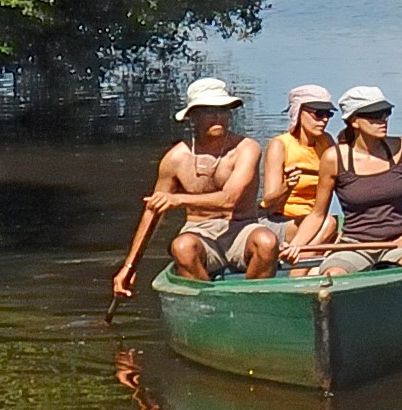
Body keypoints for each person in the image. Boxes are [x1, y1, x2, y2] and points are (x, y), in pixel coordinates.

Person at [110, 78, 284, 300]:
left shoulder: (246, 148)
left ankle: (252, 304)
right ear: (192, 116)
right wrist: (129, 267)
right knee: (182, 247)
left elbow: (229, 199)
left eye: (223, 110)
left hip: (241, 229)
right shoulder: (176, 158)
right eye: (209, 111)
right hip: (200, 231)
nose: (218, 117)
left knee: (267, 242)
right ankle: (209, 306)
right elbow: (153, 212)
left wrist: (178, 200)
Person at [293, 85, 402, 276]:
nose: (383, 120)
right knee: (334, 274)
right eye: (374, 115)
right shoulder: (334, 158)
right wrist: (296, 245)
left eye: (386, 112)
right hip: (354, 247)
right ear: (354, 121)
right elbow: (317, 215)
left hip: (398, 243)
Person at [262, 83, 339, 238]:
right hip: (279, 220)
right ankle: (302, 258)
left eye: (328, 114)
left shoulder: (327, 142)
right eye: (318, 113)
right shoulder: (280, 145)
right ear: (298, 112)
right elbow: (269, 204)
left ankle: (302, 255)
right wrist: (287, 187)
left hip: (315, 219)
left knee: (333, 229)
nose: (324, 120)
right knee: (329, 224)